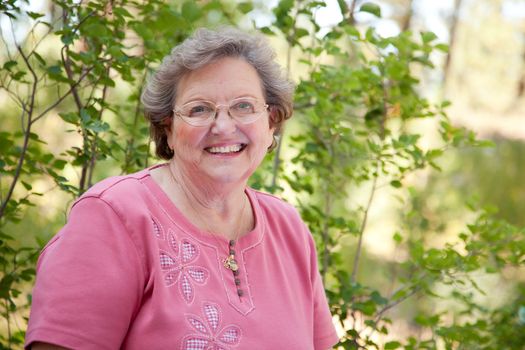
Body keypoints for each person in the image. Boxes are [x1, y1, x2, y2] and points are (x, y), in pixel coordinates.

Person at [25, 27, 339, 350]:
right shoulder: (113, 218)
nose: (224, 126)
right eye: (199, 109)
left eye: (243, 106)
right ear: (169, 129)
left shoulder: (289, 229)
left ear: (271, 122)